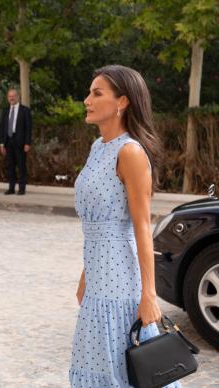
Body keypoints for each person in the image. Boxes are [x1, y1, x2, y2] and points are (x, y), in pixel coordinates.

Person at [69, 65, 176, 387]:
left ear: (122, 102)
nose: (87, 100)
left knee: (126, 367)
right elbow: (97, 225)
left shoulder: (130, 152)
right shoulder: (97, 147)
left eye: (97, 93)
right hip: (98, 274)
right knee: (99, 364)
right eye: (89, 92)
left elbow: (142, 227)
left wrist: (149, 295)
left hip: (121, 279)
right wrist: (86, 274)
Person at [0, 88, 32, 195]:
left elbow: (28, 128)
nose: (12, 98)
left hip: (20, 142)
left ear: (18, 97)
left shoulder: (25, 110)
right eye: (10, 96)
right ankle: (11, 188)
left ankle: (22, 188)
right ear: (7, 98)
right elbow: (3, 128)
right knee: (10, 166)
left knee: (21, 166)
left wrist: (27, 143)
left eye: (13, 96)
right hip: (8, 142)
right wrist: (2, 143)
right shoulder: (5, 111)